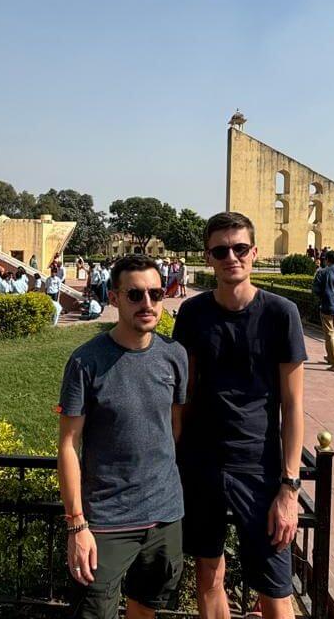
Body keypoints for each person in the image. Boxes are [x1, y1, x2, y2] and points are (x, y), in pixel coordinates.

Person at [173, 212, 306, 619]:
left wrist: (289, 488)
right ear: (208, 257)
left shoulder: (280, 314)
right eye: (220, 250)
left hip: (258, 465)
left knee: (275, 588)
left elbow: (293, 404)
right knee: (209, 574)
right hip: (202, 461)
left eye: (240, 248)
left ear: (254, 253)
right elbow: (184, 395)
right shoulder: (194, 315)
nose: (231, 256)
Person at [57, 254, 188, 619]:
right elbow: (68, 445)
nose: (147, 304)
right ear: (114, 298)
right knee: (94, 612)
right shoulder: (86, 361)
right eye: (135, 295)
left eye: (156, 294)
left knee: (146, 609)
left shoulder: (174, 356)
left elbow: (174, 430)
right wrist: (77, 525)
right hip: (106, 521)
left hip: (163, 516)